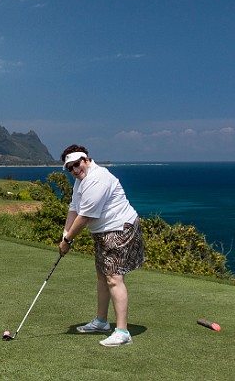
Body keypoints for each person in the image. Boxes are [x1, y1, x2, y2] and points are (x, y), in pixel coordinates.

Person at [59, 144, 145, 347]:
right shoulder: (81, 181)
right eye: (70, 168)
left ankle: (123, 332)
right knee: (102, 275)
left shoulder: (97, 179)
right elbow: (74, 208)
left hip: (120, 228)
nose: (74, 170)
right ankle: (101, 321)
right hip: (103, 232)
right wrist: (65, 234)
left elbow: (86, 216)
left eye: (77, 164)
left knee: (114, 277)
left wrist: (68, 241)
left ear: (86, 160)